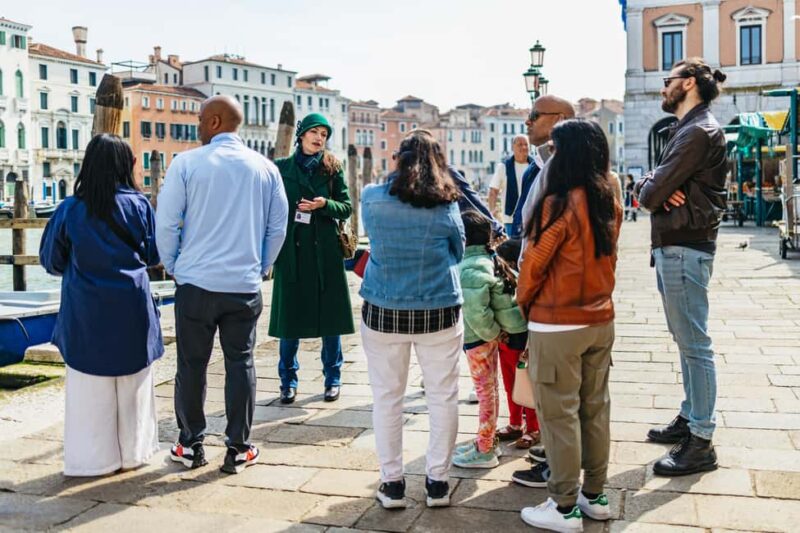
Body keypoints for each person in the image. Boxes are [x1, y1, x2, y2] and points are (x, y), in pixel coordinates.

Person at [156, 95, 289, 475]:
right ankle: (238, 448)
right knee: (240, 363)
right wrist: (261, 267)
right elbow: (277, 227)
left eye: (200, 119)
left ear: (214, 122)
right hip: (243, 286)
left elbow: (166, 223)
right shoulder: (265, 169)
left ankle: (190, 444)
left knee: (192, 365)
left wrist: (175, 267)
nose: (197, 126)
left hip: (196, 283)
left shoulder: (186, 163)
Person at [516, 119, 622, 532]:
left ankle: (562, 507)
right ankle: (594, 495)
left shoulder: (558, 203)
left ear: (569, 154)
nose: (551, 157)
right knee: (595, 409)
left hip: (557, 322)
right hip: (599, 319)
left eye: (556, 149)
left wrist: (523, 304)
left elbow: (533, 268)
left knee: (559, 415)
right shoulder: (608, 201)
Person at [39, 134, 163, 476]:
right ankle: (134, 454)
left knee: (88, 392)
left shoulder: (69, 209)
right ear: (127, 166)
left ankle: (93, 461)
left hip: (86, 309)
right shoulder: (140, 205)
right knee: (134, 385)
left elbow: (51, 260)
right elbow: (154, 256)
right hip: (131, 306)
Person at [360, 129, 464, 509]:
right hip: (438, 309)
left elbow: (372, 239)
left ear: (398, 161)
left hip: (384, 309)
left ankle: (393, 484)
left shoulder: (371, 198)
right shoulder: (447, 204)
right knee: (443, 395)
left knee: (387, 398)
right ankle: (437, 482)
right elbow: (459, 249)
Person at [634, 58, 727, 477]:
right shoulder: (686, 130)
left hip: (685, 246)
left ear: (688, 84)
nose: (662, 87)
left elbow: (652, 194)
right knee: (685, 339)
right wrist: (652, 186)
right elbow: (648, 187)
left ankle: (702, 441)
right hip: (676, 245)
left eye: (667, 80)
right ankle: (691, 418)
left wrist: (655, 188)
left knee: (694, 344)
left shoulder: (697, 132)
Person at [269, 113, 354, 404]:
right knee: (289, 323)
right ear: (302, 134)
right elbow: (269, 209)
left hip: (325, 254)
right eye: (315, 132)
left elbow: (346, 207)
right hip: (291, 254)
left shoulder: (333, 168)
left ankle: (333, 378)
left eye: (324, 134)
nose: (320, 138)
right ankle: (287, 382)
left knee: (330, 321)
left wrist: (324, 204)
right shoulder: (280, 168)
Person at [452, 210, 529, 469]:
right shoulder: (488, 258)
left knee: (486, 391)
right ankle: (487, 440)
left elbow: (477, 313)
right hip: (491, 337)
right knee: (491, 390)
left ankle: (485, 449)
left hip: (479, 339)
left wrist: (494, 334)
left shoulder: (470, 268)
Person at [494, 238, 541, 448]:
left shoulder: (527, 284)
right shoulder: (499, 282)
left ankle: (533, 428)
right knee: (510, 385)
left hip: (522, 344)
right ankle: (515, 423)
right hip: (505, 342)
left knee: (526, 386)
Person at [517, 95, 576, 256]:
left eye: (534, 116)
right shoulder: (532, 169)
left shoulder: (576, 169)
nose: (527, 122)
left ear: (559, 120)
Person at [488, 135, 533, 236]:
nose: (524, 147)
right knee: (513, 250)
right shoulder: (503, 167)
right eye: (520, 144)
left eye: (526, 144)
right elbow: (493, 192)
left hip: (532, 218)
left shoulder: (535, 166)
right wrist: (493, 214)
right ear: (513, 147)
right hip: (510, 220)